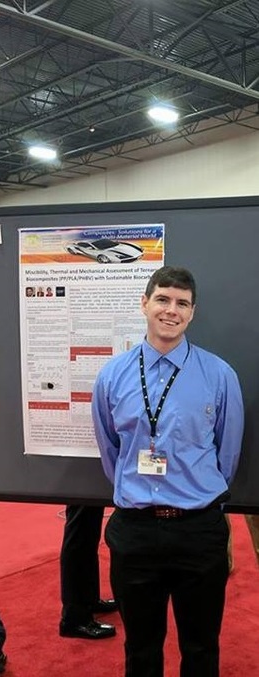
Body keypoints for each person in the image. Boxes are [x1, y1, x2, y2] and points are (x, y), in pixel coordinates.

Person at [92, 266, 244, 676]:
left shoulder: (219, 376)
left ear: (192, 313)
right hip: (135, 533)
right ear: (145, 304)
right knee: (140, 651)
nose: (171, 310)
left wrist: (196, 492)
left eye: (182, 303)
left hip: (199, 531)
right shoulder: (112, 377)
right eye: (162, 299)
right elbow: (111, 452)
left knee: (200, 649)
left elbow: (227, 455)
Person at [59, 504, 117, 639]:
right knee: (80, 534)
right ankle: (75, 618)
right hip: (80, 484)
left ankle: (89, 600)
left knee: (88, 531)